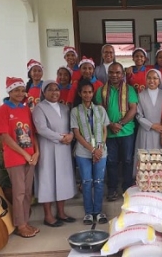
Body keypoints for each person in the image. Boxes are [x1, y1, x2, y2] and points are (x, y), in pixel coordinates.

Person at [0, 77, 40, 238]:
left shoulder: (25, 108)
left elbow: (32, 133)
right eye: (16, 90)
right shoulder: (3, 110)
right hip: (15, 158)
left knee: (27, 192)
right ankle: (20, 225)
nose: (20, 93)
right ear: (9, 92)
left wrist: (36, 152)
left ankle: (25, 222)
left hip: (30, 157)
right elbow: (5, 137)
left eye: (22, 90)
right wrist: (25, 154)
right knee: (19, 192)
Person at [32, 80, 77, 228]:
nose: (54, 92)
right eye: (50, 90)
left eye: (56, 89)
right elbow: (41, 129)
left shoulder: (65, 108)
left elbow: (72, 125)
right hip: (48, 148)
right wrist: (61, 138)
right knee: (47, 179)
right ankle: (48, 215)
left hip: (63, 149)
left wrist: (71, 135)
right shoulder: (39, 108)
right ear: (44, 92)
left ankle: (61, 213)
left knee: (62, 179)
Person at [95, 62, 138, 201]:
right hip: (108, 132)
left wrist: (120, 123)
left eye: (118, 72)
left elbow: (133, 109)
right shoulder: (101, 90)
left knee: (127, 160)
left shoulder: (130, 89)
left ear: (122, 74)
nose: (114, 75)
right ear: (108, 74)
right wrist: (110, 124)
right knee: (111, 161)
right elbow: (99, 111)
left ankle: (127, 188)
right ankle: (112, 189)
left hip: (126, 132)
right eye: (112, 72)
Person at [70, 79, 110, 225]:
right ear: (80, 93)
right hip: (83, 152)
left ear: (93, 93)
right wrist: (92, 150)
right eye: (84, 92)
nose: (87, 95)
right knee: (87, 182)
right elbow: (77, 134)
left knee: (99, 182)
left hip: (101, 151)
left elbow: (105, 130)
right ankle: (88, 212)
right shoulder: (75, 111)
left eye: (90, 92)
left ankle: (98, 212)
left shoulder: (100, 110)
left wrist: (99, 148)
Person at [134, 69, 162, 176]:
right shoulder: (140, 95)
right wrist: (152, 125)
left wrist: (161, 128)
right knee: (145, 162)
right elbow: (138, 115)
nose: (151, 81)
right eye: (149, 78)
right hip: (146, 131)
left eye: (155, 78)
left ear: (159, 80)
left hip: (161, 133)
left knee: (159, 162)